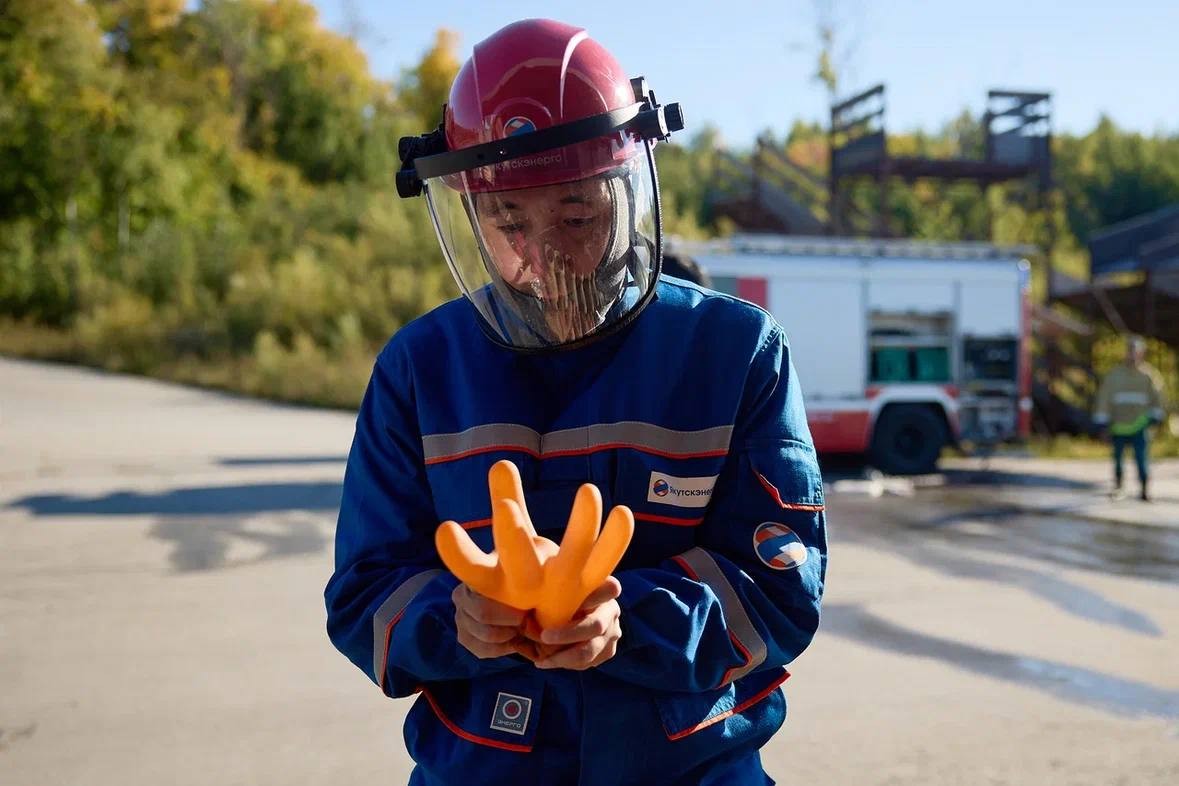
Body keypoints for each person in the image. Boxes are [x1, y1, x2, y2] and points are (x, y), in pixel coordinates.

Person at [324, 18, 827, 786]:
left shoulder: (734, 352)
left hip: (690, 771)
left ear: (627, 192)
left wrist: (625, 617)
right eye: (508, 223)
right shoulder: (420, 368)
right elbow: (364, 593)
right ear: (470, 214)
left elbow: (780, 587)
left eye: (576, 216)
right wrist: (460, 618)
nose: (545, 254)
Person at [1093, 335, 1167, 501]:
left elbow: (1157, 398)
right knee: (1118, 459)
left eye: (1136, 351)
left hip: (1139, 424)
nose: (1133, 355)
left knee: (1141, 458)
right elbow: (1104, 399)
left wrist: (1156, 416)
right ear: (1126, 352)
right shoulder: (1115, 375)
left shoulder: (1148, 375)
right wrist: (1102, 422)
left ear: (1141, 353)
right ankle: (1119, 486)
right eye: (1130, 351)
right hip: (1118, 425)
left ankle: (1144, 489)